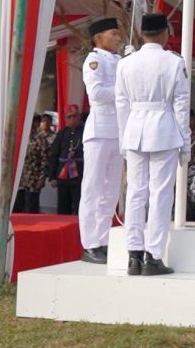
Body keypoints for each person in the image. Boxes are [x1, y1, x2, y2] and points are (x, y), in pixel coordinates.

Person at [115, 12, 191, 276]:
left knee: (136, 193)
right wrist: (186, 142)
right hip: (164, 129)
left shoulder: (126, 63)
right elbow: (181, 105)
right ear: (164, 33)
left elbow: (121, 104)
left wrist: (123, 138)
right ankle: (153, 256)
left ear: (142, 34)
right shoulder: (173, 62)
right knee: (160, 194)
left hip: (134, 129)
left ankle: (133, 255)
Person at [78, 17, 124, 265]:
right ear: (99, 38)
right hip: (99, 131)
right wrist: (123, 90)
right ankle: (89, 243)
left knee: (110, 190)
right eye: (114, 34)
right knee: (93, 188)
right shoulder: (94, 60)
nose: (118, 38)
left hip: (117, 131)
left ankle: (103, 240)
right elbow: (96, 93)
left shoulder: (119, 61)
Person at [49, 107, 85, 215]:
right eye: (69, 117)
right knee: (63, 207)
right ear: (66, 118)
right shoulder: (62, 133)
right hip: (63, 176)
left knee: (79, 206)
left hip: (79, 175)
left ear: (79, 117)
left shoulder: (85, 131)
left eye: (75, 116)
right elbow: (54, 155)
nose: (72, 119)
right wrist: (52, 177)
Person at [16, 113, 52, 214]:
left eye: (32, 121)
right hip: (20, 180)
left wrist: (42, 178)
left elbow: (45, 160)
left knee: (31, 208)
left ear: (36, 123)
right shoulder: (21, 138)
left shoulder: (40, 139)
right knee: (18, 208)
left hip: (33, 180)